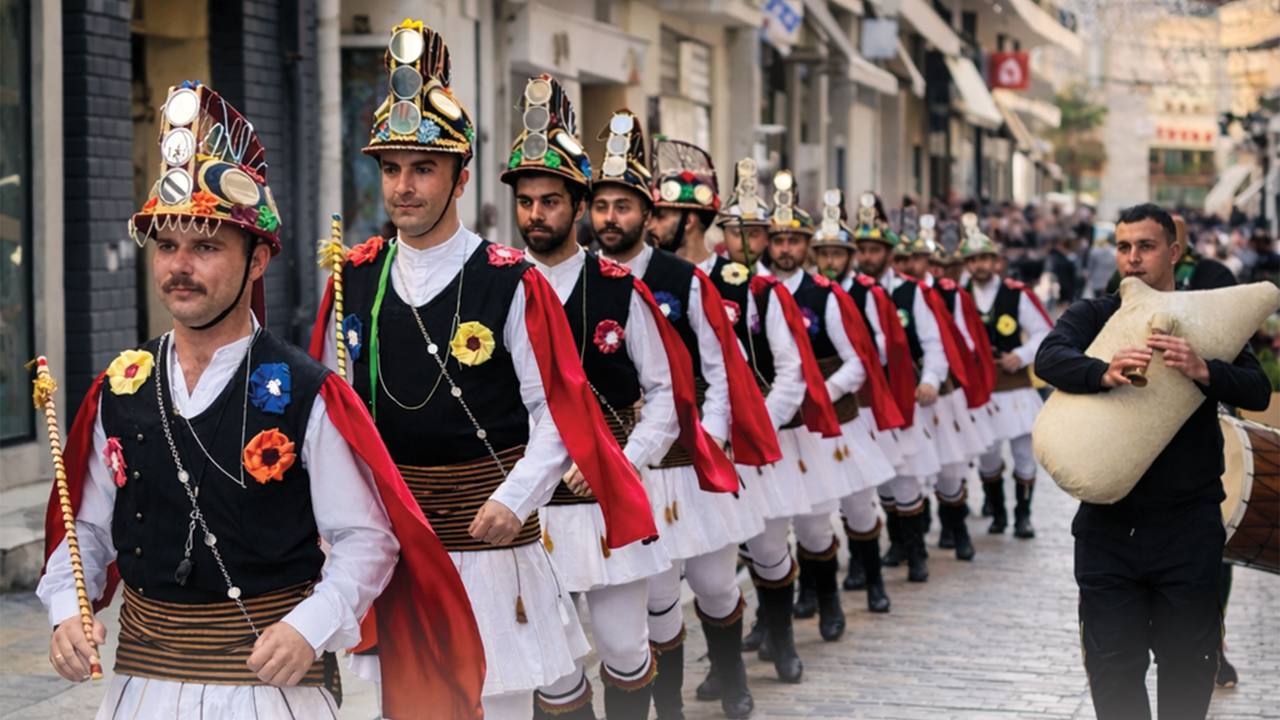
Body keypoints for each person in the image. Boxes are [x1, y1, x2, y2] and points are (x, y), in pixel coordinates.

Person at [40, 80, 484, 720]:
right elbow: (85, 527)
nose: (179, 266)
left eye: (207, 246)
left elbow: (366, 539)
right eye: (167, 245)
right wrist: (65, 611)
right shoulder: (121, 386)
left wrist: (311, 626)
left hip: (270, 694)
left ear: (257, 260)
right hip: (140, 692)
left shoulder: (307, 392)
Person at [312, 23, 655, 720]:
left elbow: (556, 412)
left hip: (488, 533)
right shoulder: (354, 276)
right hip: (397, 541)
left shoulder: (509, 281)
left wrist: (517, 498)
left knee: (494, 701)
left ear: (460, 176)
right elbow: (334, 415)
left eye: (423, 168)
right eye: (391, 168)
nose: (403, 187)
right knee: (401, 706)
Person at [1035, 202, 1270, 720]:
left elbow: (1257, 388)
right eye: (1123, 247)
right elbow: (1049, 356)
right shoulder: (1094, 315)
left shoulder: (1207, 318)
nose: (1133, 258)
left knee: (1188, 668)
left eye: (1145, 246)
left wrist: (1204, 369)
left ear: (1173, 251)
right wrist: (1102, 368)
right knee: (1113, 669)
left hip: (1188, 528)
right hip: (1107, 531)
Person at [500, 75, 677, 720]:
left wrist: (623, 459)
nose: (536, 215)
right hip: (527, 505)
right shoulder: (494, 286)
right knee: (550, 666)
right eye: (525, 201)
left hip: (605, 498)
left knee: (626, 649)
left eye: (551, 200)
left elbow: (663, 397)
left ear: (578, 206)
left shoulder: (619, 287)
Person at [589, 111, 757, 720]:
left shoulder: (680, 279)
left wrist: (707, 439)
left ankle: (734, 674)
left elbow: (721, 371)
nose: (612, 219)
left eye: (626, 207)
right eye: (601, 206)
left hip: (688, 460)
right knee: (656, 595)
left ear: (646, 212)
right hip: (626, 467)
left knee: (713, 583)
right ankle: (670, 707)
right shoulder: (579, 279)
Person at [961, 215, 1053, 538]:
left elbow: (1043, 332)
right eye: (972, 260)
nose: (979, 265)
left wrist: (1023, 355)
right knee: (987, 456)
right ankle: (997, 512)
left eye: (984, 258)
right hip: (982, 388)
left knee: (1023, 454)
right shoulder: (959, 296)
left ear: (996, 261)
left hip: (1015, 386)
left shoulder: (1017, 294)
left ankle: (1022, 516)